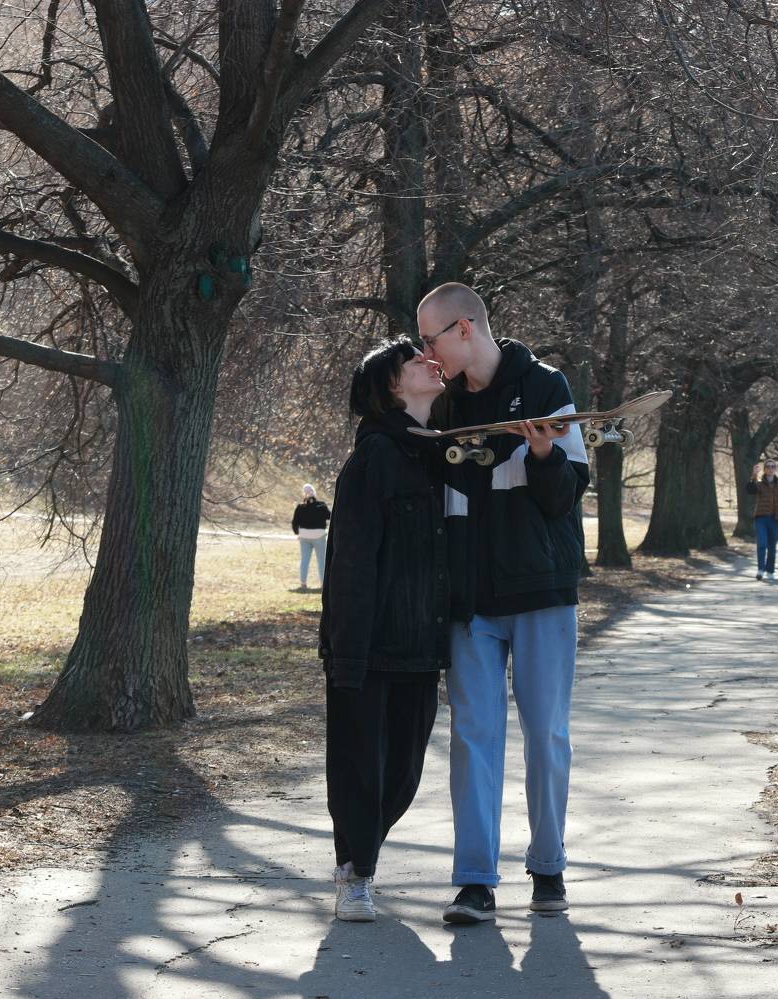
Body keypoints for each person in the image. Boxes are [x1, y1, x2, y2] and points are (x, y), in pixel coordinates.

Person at [417, 282, 589, 924]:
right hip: (469, 601)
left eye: (430, 340)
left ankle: (548, 869)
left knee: (545, 734)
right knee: (473, 736)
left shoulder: (545, 385)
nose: (426, 355)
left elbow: (566, 494)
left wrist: (543, 452)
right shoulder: (442, 406)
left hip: (541, 592)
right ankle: (474, 880)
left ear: (464, 329)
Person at [318, 340, 451, 923]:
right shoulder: (373, 458)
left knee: (403, 772)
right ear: (394, 386)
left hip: (421, 642)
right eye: (417, 362)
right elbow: (350, 560)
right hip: (368, 644)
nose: (432, 363)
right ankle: (356, 873)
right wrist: (347, 652)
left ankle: (359, 856)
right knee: (357, 766)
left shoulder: (435, 452)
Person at [746, 459, 778, 581]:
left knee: (772, 547)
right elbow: (750, 489)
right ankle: (760, 570)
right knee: (762, 544)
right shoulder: (759, 484)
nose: (770, 469)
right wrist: (753, 475)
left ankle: (770, 571)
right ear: (764, 469)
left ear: (775, 469)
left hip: (775, 519)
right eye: (768, 466)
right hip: (761, 519)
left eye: (773, 466)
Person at [292, 484, 331, 590]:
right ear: (314, 493)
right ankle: (323, 584)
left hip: (304, 535)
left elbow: (295, 522)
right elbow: (329, 516)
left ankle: (303, 583)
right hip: (319, 535)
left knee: (304, 559)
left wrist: (297, 533)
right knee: (321, 561)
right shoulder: (321, 505)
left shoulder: (300, 507)